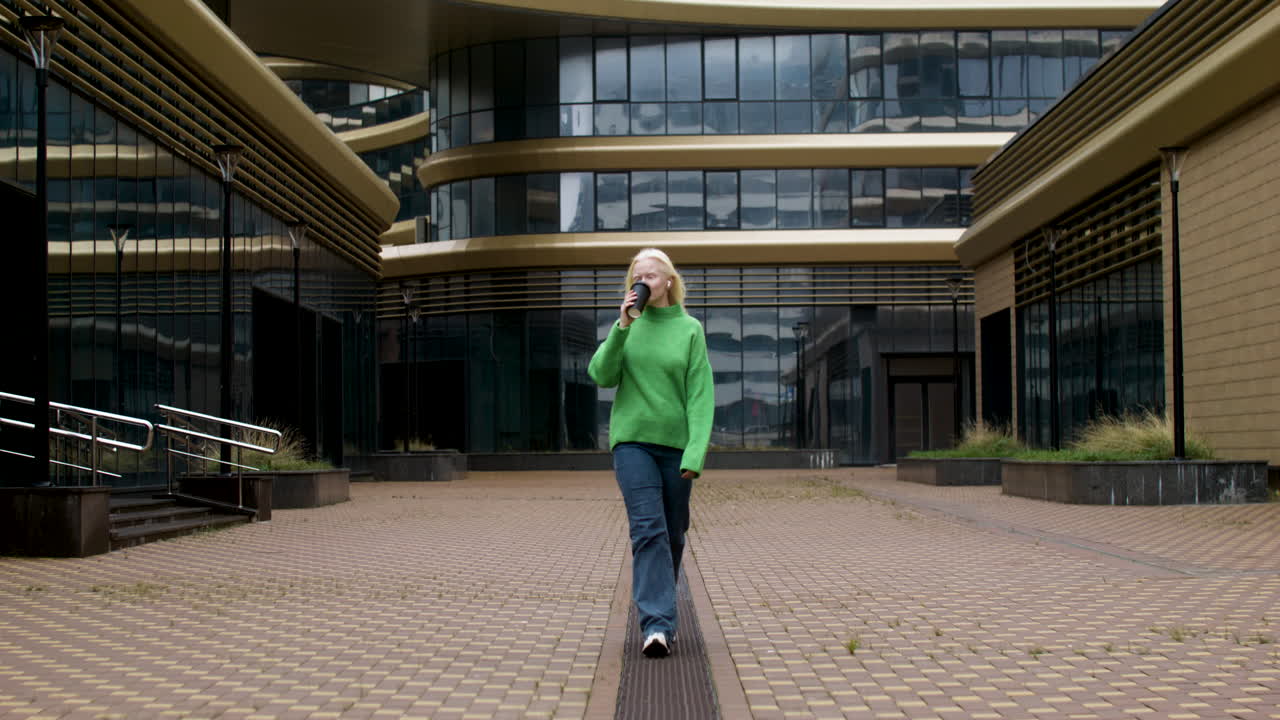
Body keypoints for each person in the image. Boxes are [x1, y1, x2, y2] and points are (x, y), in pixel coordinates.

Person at [588, 248, 714, 659]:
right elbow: (601, 375)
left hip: (675, 448)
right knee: (648, 529)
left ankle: (659, 607)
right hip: (632, 444)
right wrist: (621, 327)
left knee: (672, 533)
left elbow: (700, 396)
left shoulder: (690, 329)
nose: (642, 283)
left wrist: (694, 453)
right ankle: (657, 625)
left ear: (668, 282)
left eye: (651, 277)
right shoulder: (626, 327)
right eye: (636, 277)